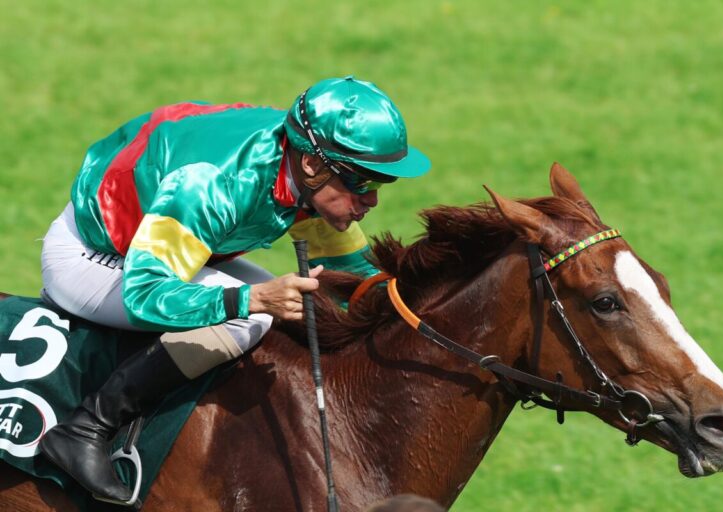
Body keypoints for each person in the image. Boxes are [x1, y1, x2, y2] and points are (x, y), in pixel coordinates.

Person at [37, 76, 430, 502]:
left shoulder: (303, 172)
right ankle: (86, 428)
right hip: (96, 256)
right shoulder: (214, 183)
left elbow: (353, 274)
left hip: (174, 247)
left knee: (291, 301)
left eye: (379, 184)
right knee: (256, 312)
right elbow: (146, 294)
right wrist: (252, 299)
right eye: (361, 182)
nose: (371, 200)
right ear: (314, 165)